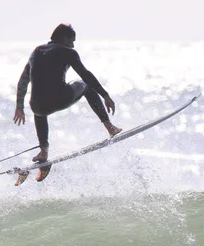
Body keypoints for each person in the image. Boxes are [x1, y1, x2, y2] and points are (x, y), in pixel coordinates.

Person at [12, 23, 122, 183]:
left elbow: (23, 81)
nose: (73, 45)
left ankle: (44, 151)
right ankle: (110, 127)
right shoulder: (68, 52)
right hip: (59, 98)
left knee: (38, 104)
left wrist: (19, 107)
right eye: (72, 41)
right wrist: (105, 95)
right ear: (64, 39)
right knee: (86, 86)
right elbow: (85, 74)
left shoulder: (35, 52)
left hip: (36, 106)